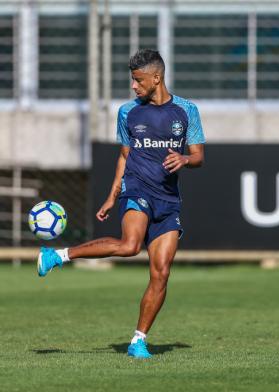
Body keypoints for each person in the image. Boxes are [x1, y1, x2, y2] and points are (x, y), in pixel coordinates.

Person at [37, 49, 205, 359]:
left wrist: (185, 158)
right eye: (132, 80)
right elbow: (125, 156)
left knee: (162, 272)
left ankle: (138, 340)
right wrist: (113, 196)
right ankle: (59, 255)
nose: (133, 86)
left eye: (138, 80)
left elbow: (199, 156)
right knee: (130, 245)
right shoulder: (129, 112)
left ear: (157, 78)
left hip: (168, 200)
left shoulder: (187, 110)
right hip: (137, 188)